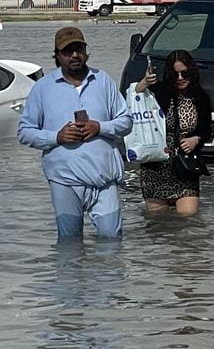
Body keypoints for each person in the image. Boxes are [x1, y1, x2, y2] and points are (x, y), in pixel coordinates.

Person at [17, 27, 133, 240]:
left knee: (112, 241)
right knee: (69, 244)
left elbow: (126, 121)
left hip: (104, 179)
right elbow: (24, 132)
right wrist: (56, 137)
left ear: (86, 52)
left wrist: (100, 127)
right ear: (57, 56)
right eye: (67, 51)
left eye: (79, 49)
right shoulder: (43, 88)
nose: (74, 55)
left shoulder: (103, 80)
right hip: (64, 180)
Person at [134, 50, 213, 217]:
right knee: (158, 223)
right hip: (155, 165)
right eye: (175, 74)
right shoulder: (159, 92)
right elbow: (135, 100)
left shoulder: (201, 98)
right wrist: (143, 83)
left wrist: (196, 139)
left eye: (184, 73)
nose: (180, 78)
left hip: (185, 165)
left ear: (192, 72)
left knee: (188, 218)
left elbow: (207, 130)